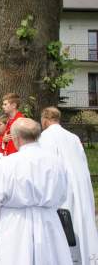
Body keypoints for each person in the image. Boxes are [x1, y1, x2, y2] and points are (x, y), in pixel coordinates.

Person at [0, 118, 72, 265]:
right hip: (48, 222)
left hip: (15, 225)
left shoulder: (6, 164)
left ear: (16, 138)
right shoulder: (55, 162)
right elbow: (62, 195)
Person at [39, 107, 98, 264]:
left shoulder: (45, 137)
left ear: (44, 120)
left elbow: (47, 167)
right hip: (80, 187)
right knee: (80, 221)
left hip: (62, 189)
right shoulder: (73, 137)